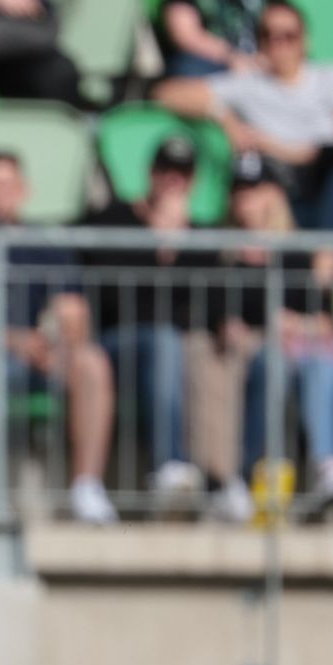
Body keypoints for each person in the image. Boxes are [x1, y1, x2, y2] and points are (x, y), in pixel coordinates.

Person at [0, 153, 117, 525]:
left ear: (23, 192)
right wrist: (14, 341)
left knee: (91, 363)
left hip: (39, 358)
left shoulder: (47, 245)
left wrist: (56, 345)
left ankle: (87, 487)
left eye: (5, 186)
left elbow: (75, 315)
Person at [81, 136, 216, 513]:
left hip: (173, 348)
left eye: (183, 173)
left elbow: (205, 307)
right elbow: (111, 298)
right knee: (164, 339)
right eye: (166, 171)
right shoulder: (114, 218)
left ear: (193, 181)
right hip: (116, 345)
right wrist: (158, 244)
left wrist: (178, 245)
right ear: (151, 174)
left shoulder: (203, 235)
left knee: (200, 349)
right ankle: (167, 464)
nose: (174, 180)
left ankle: (223, 482)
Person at [212, 159, 333, 520]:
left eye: (254, 191)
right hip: (254, 352)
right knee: (273, 365)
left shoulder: (296, 253)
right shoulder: (224, 255)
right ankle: (248, 476)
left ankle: (327, 465)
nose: (246, 200)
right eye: (240, 192)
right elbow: (223, 321)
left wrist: (287, 323)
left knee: (321, 362)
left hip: (300, 351)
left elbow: (323, 323)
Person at [155, 3, 333, 229]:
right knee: (257, 197)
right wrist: (224, 116)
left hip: (326, 171)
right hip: (277, 182)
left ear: (304, 39)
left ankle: (324, 259)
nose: (279, 43)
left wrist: (283, 149)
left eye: (288, 35)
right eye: (269, 35)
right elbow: (167, 94)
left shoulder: (329, 77)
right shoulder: (250, 83)